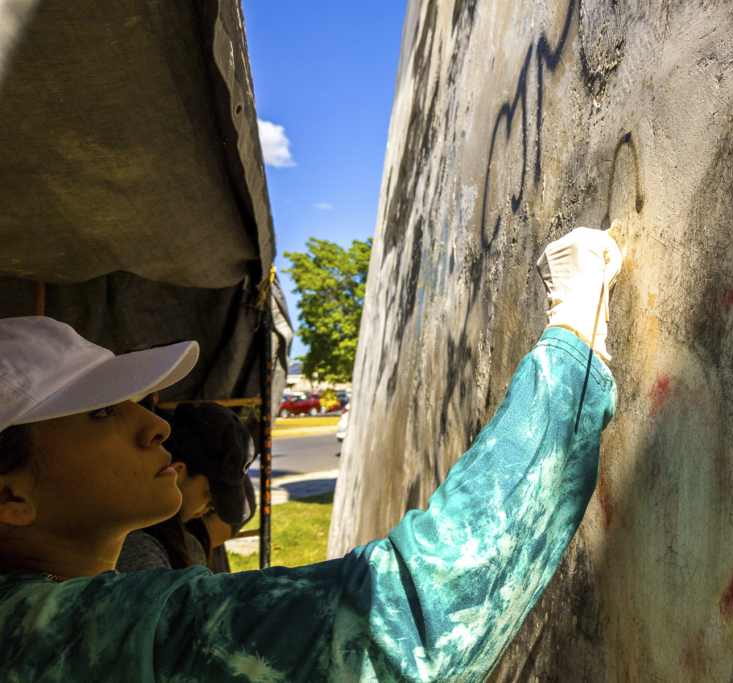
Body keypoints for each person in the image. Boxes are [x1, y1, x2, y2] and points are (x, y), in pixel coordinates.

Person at [0, 228, 621, 682]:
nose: (156, 425)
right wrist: (574, 337)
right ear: (9, 495)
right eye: (101, 412)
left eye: (134, 402)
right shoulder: (55, 639)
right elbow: (397, 625)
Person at [115, 402, 255, 572]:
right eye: (210, 494)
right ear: (177, 472)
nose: (213, 507)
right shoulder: (140, 550)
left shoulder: (186, 536)